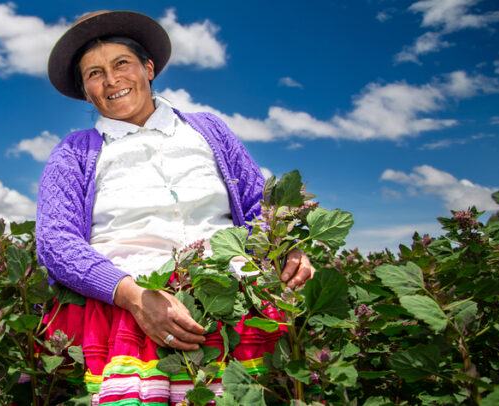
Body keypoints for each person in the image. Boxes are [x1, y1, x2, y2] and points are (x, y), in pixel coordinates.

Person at [36, 10, 314, 404]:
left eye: (122, 63)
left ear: (148, 68)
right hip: (128, 312)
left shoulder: (209, 129)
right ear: (86, 91)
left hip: (234, 300)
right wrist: (134, 297)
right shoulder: (73, 152)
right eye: (95, 73)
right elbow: (56, 244)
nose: (111, 79)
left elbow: (258, 206)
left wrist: (287, 249)